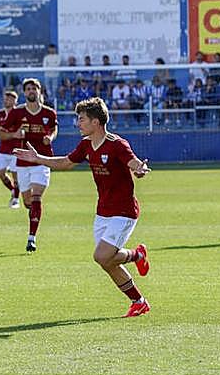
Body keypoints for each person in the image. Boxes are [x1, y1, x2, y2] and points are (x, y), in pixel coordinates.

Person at [15, 97, 151, 317]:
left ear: (96, 122)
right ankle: (138, 299)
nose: (78, 123)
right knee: (107, 261)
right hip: (103, 212)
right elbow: (66, 163)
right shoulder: (87, 144)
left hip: (124, 212)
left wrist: (139, 168)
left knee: (101, 256)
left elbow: (133, 162)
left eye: (82, 119)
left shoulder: (117, 144)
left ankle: (137, 258)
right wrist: (38, 158)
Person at [0, 78, 58, 252]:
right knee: (27, 202)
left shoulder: (49, 113)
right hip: (23, 163)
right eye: (28, 89)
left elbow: (54, 129)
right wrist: (14, 135)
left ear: (40, 91)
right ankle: (34, 214)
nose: (32, 91)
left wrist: (50, 137)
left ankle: (31, 238)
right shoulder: (16, 113)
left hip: (42, 160)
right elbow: (0, 133)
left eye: (34, 88)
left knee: (36, 196)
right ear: (24, 93)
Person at [0, 89, 21, 208]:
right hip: (3, 148)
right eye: (5, 98)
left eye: (9, 98)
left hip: (15, 149)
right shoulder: (0, 113)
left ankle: (16, 199)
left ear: (15, 100)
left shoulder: (19, 113)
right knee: (0, 172)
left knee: (15, 174)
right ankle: (13, 190)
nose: (6, 101)